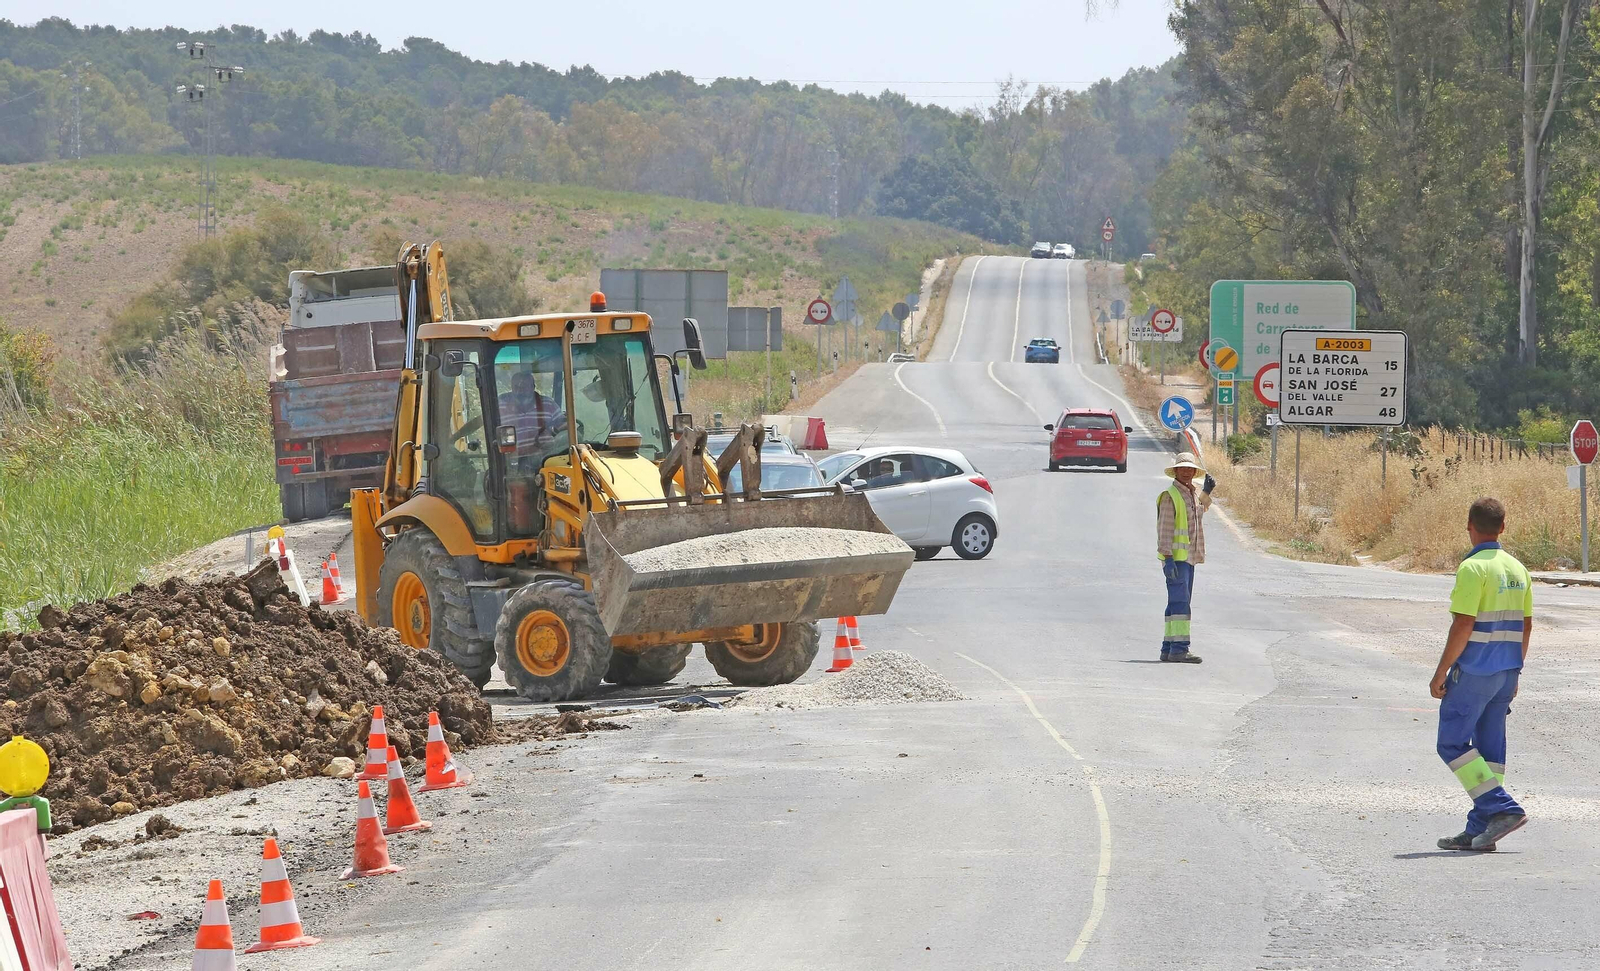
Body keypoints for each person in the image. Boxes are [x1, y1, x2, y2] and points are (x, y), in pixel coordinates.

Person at [1432, 497, 1532, 851]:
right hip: (1506, 672)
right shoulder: (1518, 569)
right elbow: (1526, 626)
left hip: (1476, 672)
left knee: (1451, 743)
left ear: (1469, 526)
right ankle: (1480, 829)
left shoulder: (1472, 568)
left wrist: (1441, 671)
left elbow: (1463, 623)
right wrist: (1515, 671)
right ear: (1503, 527)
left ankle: (1504, 809)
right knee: (1490, 752)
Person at [1156, 452, 1215, 663]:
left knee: (1176, 604)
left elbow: (1199, 511)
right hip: (1176, 560)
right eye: (1183, 468)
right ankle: (1180, 649)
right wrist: (1167, 558)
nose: (1187, 472)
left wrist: (1207, 491)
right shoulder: (1170, 496)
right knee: (1181, 604)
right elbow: (1164, 530)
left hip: (1188, 559)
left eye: (1190, 469)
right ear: (1176, 471)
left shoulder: (1191, 494)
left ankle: (1168, 648)